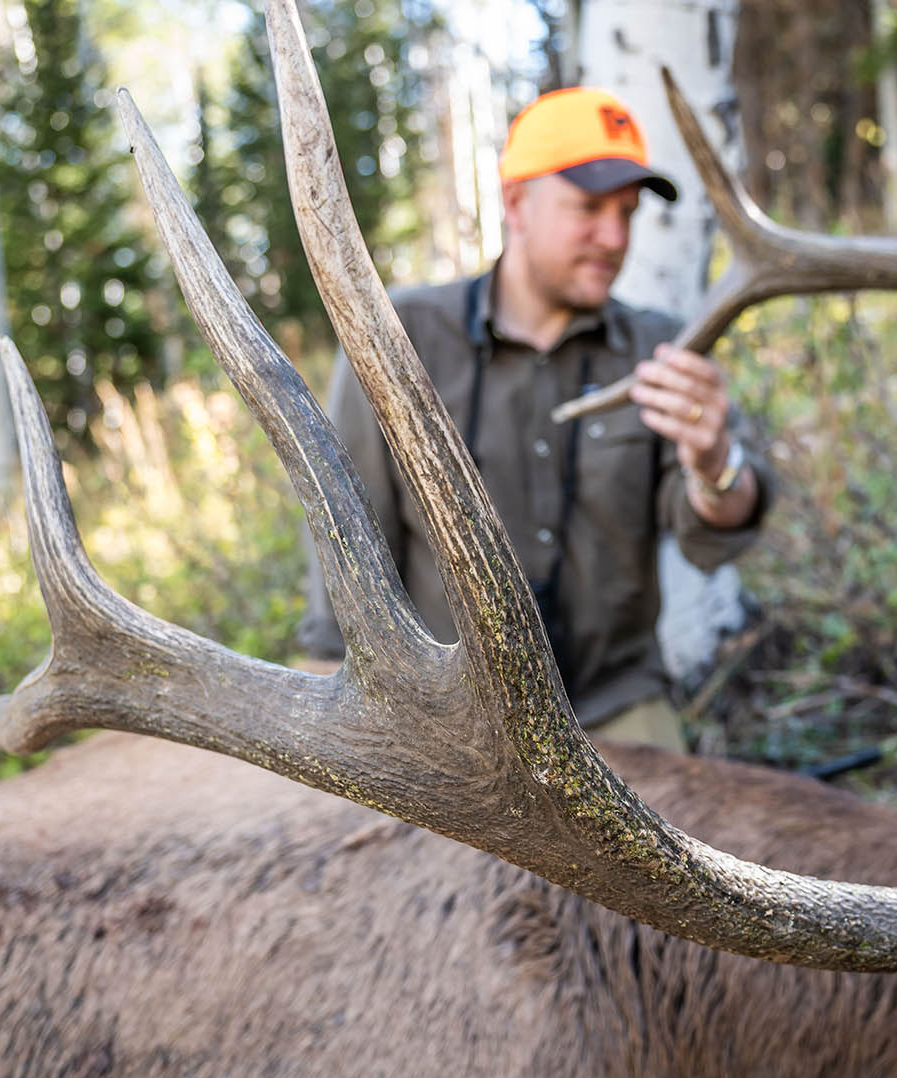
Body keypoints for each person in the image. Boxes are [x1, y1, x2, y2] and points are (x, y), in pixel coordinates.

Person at [297, 87, 770, 752]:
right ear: (516, 203)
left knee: (673, 844)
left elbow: (713, 535)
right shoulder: (401, 337)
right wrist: (340, 698)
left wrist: (716, 464)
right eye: (589, 208)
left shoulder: (660, 350)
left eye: (628, 213)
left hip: (613, 707)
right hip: (449, 715)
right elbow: (349, 537)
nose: (615, 238)